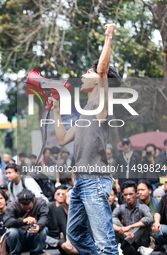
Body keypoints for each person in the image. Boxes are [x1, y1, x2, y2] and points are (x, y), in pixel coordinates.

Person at [50, 24, 120, 254]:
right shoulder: (86, 112)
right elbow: (61, 138)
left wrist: (108, 36)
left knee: (105, 241)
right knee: (76, 235)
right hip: (81, 182)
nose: (82, 75)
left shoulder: (101, 103)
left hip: (95, 179)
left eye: (87, 73)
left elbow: (102, 70)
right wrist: (57, 111)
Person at [112, 181, 153, 255]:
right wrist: (124, 232)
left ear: (136, 194)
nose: (128, 197)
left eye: (131, 194)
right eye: (125, 195)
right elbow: (109, 222)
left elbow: (150, 219)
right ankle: (129, 246)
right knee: (113, 220)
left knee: (144, 223)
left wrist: (129, 227)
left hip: (141, 244)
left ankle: (128, 247)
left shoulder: (143, 207)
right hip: (126, 246)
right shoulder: (120, 208)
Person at [4, 189, 49, 254]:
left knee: (42, 230)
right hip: (19, 236)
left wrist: (39, 226)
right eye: (25, 209)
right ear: (19, 203)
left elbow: (45, 216)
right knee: (12, 231)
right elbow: (7, 221)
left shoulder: (40, 202)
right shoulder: (12, 205)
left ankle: (38, 253)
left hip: (33, 234)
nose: (28, 210)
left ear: (33, 200)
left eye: (30, 208)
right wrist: (22, 221)